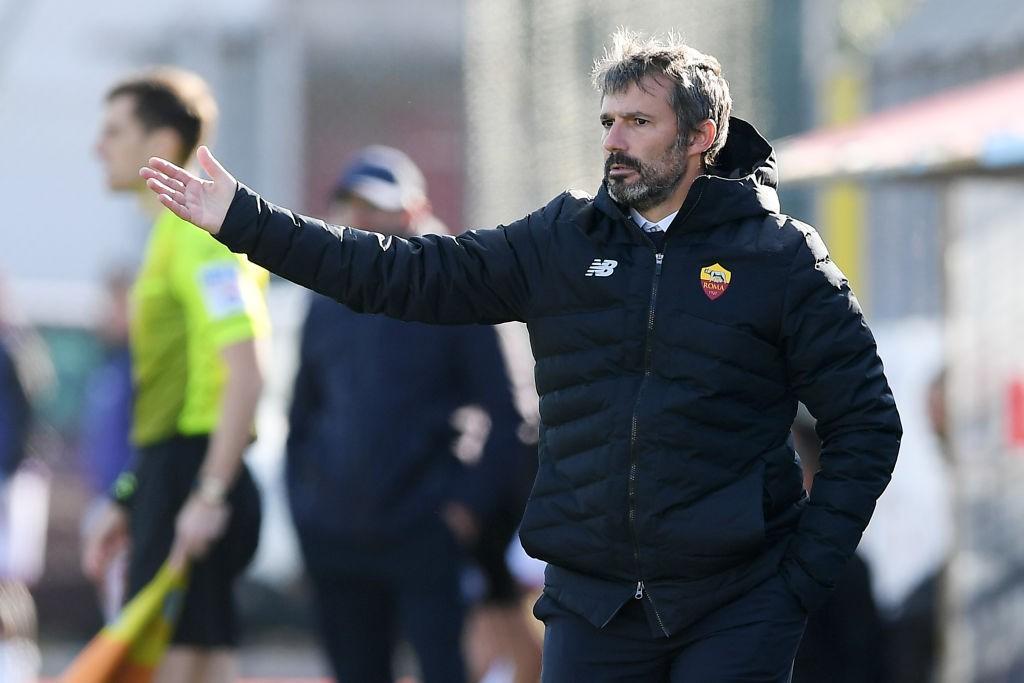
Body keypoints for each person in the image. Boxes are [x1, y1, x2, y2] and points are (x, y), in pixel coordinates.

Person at [141, 29, 902, 681]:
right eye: (608, 120)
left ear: (701, 134)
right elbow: (402, 272)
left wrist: (799, 579)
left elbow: (868, 422)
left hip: (737, 605)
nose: (613, 140)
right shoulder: (562, 241)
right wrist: (246, 221)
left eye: (639, 121)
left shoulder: (779, 257)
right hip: (592, 605)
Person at [286, 146, 524, 683]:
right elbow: (301, 420)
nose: (363, 217)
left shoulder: (456, 293)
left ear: (414, 210)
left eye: (377, 204)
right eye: (351, 204)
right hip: (336, 537)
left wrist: (463, 509)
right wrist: (307, 514)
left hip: (423, 532)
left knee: (443, 671)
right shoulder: (324, 303)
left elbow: (507, 418)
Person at [83, 67, 268, 683]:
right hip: (174, 472)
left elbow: (245, 371)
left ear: (161, 145)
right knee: (195, 663)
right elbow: (173, 387)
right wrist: (131, 492)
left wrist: (209, 493)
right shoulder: (169, 233)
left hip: (196, 473)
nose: (96, 146)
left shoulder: (198, 235)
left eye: (114, 131)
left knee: (173, 667)